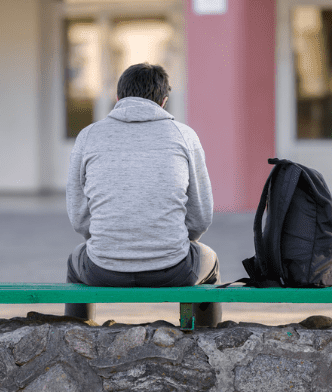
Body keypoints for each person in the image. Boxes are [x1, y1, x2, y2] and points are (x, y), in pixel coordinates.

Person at [65, 62, 221, 326]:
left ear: (118, 98)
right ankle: (206, 341)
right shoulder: (184, 136)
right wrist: (175, 242)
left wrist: (112, 241)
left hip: (103, 270)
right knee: (211, 261)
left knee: (75, 262)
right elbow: (201, 217)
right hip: (173, 269)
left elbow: (79, 218)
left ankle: (78, 339)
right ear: (163, 101)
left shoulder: (88, 136)